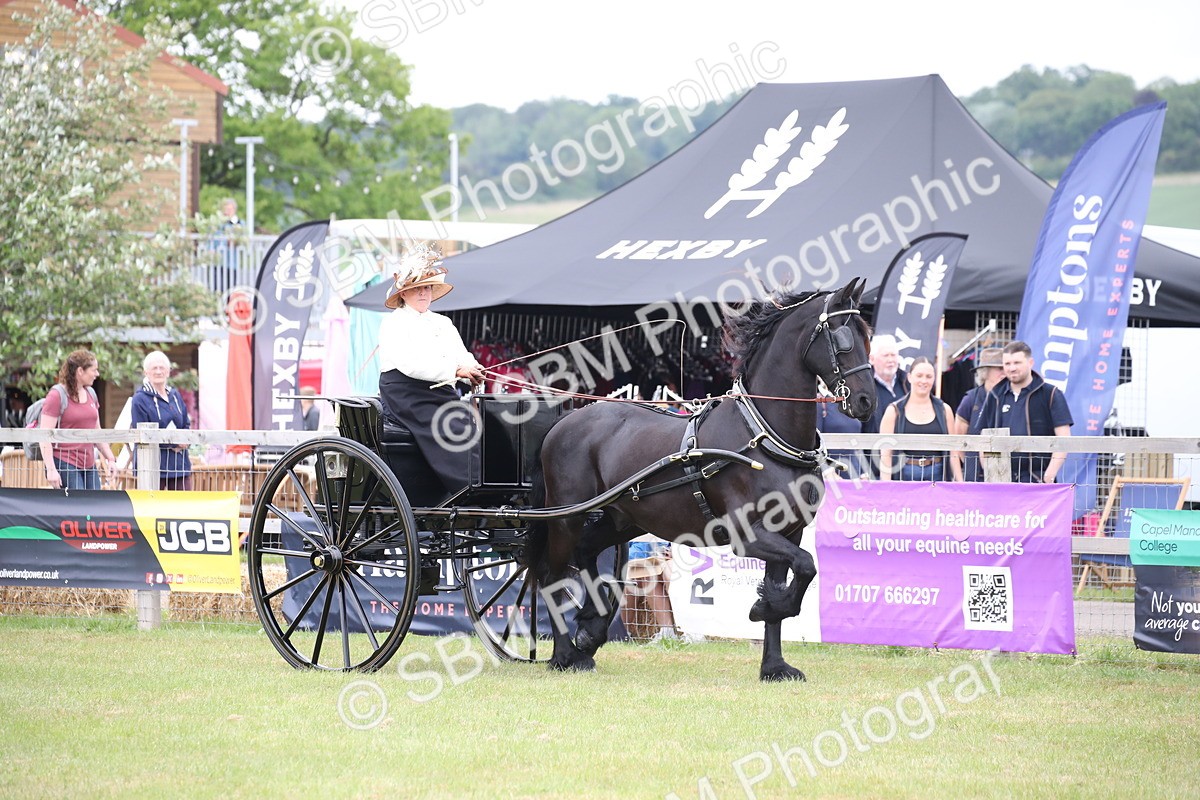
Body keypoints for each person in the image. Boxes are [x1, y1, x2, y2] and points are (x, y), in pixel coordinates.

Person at [378, 245, 484, 498]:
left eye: (427, 288)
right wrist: (457, 370)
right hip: (406, 394)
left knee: (479, 423)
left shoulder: (442, 322)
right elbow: (410, 364)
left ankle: (482, 485)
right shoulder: (394, 323)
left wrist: (473, 366)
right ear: (404, 294)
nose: (423, 293)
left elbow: (461, 353)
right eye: (417, 288)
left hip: (441, 391)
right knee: (450, 426)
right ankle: (467, 488)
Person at [977, 341, 1073, 483]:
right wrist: (989, 471)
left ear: (1030, 362)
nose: (1012, 368)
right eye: (1007, 364)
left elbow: (1064, 439)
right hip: (1001, 480)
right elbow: (983, 438)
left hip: (1037, 480)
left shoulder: (1050, 394)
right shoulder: (994, 396)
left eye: (1017, 362)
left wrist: (1048, 476)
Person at [39, 349, 116, 491]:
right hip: (65, 462)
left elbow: (96, 430)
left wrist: (110, 458)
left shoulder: (91, 393)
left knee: (94, 506)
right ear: (80, 371)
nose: (97, 374)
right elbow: (44, 436)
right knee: (76, 508)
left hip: (88, 462)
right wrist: (51, 469)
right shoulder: (56, 395)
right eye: (94, 370)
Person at [879, 357, 963, 482]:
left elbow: (953, 453)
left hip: (938, 475)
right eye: (919, 375)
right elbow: (886, 454)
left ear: (934, 379)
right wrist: (885, 487)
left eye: (929, 376)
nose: (924, 381)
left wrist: (960, 485)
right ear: (909, 377)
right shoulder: (894, 411)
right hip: (905, 475)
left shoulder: (945, 410)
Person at [130, 350, 193, 490]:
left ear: (168, 372)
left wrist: (186, 440)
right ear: (146, 372)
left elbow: (185, 423)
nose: (158, 372)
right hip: (151, 467)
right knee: (152, 510)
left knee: (183, 508)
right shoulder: (139, 400)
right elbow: (141, 434)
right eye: (154, 368)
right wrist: (175, 442)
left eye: (162, 368)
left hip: (179, 465)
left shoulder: (175, 395)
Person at [954, 347, 1005, 481]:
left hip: (1005, 474)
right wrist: (970, 463)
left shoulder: (1011, 397)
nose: (1004, 372)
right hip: (976, 476)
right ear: (985, 372)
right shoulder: (970, 399)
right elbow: (958, 437)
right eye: (999, 368)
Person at [862, 333, 910, 477]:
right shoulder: (863, 386)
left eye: (893, 355)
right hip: (873, 465)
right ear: (872, 359)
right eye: (885, 355)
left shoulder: (908, 383)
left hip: (906, 465)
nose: (891, 360)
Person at [815, 379, 867, 479]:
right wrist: (828, 472)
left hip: (856, 473)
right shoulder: (819, 402)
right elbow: (815, 443)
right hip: (832, 476)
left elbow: (857, 444)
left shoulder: (851, 402)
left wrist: (864, 472)